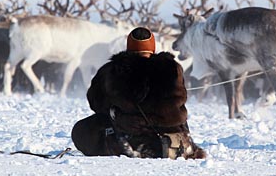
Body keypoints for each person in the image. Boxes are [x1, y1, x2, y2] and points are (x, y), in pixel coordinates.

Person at [71, 27, 206, 159]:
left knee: (82, 129)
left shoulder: (112, 70)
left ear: (129, 46)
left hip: (131, 140)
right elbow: (181, 99)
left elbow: (95, 101)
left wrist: (113, 110)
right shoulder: (173, 68)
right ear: (153, 46)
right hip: (174, 140)